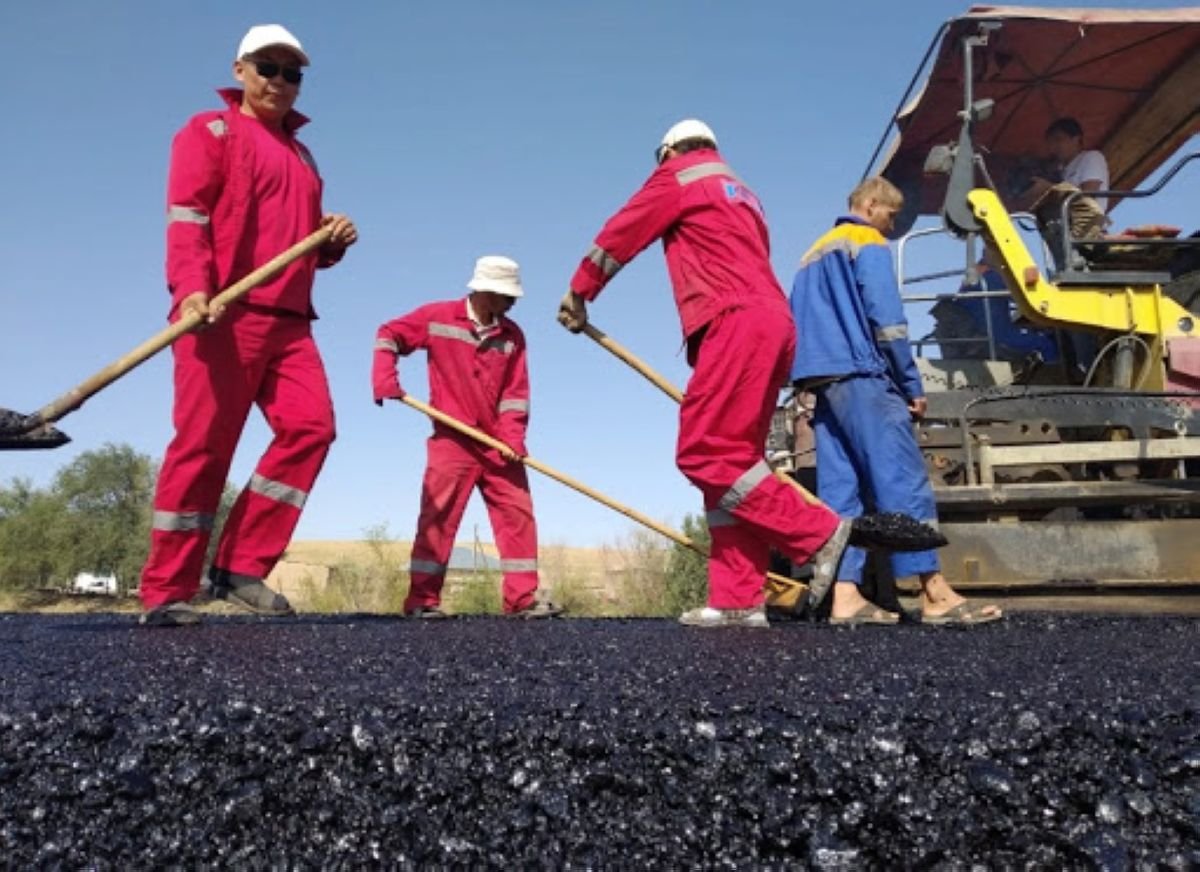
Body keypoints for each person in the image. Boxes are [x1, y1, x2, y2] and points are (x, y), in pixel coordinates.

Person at [558, 119, 851, 629]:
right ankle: (738, 599)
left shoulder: (680, 175)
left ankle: (815, 532)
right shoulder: (745, 195)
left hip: (733, 323)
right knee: (736, 464)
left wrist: (581, 290)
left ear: (669, 151)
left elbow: (623, 231)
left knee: (702, 452)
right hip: (772, 325)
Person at [139, 24, 358, 626]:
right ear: (240, 70)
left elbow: (302, 243)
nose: (281, 82)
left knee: (312, 429)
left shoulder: (302, 155)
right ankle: (165, 591)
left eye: (293, 74)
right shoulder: (210, 132)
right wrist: (191, 293)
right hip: (222, 316)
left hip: (290, 324)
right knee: (204, 447)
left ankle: (239, 568)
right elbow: (188, 218)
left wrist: (332, 240)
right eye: (269, 68)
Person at [790, 177, 1002, 626]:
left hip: (824, 382)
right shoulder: (865, 241)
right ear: (869, 205)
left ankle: (844, 597)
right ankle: (934, 593)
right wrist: (910, 383)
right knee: (903, 480)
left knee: (840, 495)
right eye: (889, 216)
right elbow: (888, 322)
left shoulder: (812, 255)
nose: (890, 228)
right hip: (866, 376)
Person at [372, 256, 561, 619]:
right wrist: (385, 378)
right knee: (437, 517)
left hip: (498, 446)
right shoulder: (438, 317)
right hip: (452, 442)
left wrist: (513, 439)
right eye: (507, 295)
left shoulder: (513, 336)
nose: (513, 302)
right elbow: (388, 334)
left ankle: (522, 600)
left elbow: (515, 394)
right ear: (485, 291)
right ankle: (422, 602)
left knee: (518, 514)